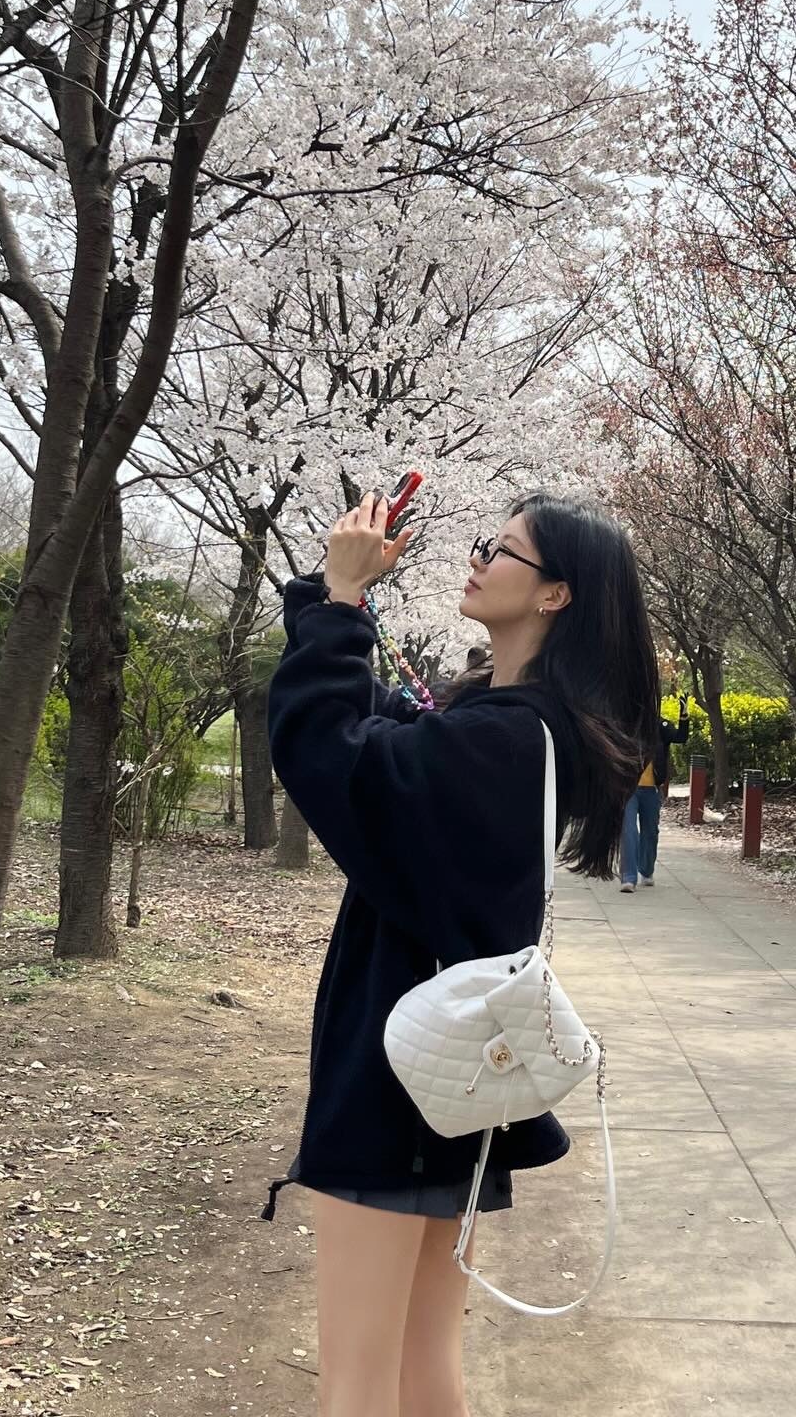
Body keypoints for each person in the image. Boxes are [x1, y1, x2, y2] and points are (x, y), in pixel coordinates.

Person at [265, 490, 658, 1417]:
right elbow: (387, 733)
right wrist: (330, 601)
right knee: (422, 1368)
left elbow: (331, 754)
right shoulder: (520, 726)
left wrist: (341, 604)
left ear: (555, 593)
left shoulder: (502, 738)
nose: (478, 559)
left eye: (503, 550)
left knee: (358, 1385)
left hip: (396, 1086)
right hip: (446, 1086)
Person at [620, 706, 682, 891]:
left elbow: (681, 737)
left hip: (651, 791)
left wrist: (684, 717)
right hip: (629, 790)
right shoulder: (625, 725)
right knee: (628, 831)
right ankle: (628, 878)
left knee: (650, 832)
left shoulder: (660, 726)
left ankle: (646, 871)